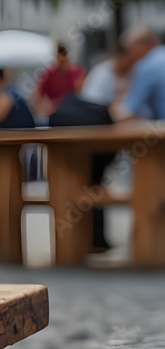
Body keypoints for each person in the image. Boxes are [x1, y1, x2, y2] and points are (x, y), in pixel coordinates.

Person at [49, 52, 132, 251]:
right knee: (92, 181)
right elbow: (97, 111)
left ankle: (90, 241)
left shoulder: (119, 74)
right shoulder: (104, 74)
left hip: (84, 139)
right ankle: (94, 240)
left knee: (90, 181)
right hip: (92, 137)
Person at [113, 26, 165, 122]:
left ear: (141, 46)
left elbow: (126, 112)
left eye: (129, 49)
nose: (129, 55)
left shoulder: (147, 65)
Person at [32, 43, 85, 118]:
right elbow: (36, 97)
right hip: (54, 114)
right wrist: (44, 109)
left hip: (73, 113)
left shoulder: (77, 72)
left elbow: (80, 92)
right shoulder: (48, 74)